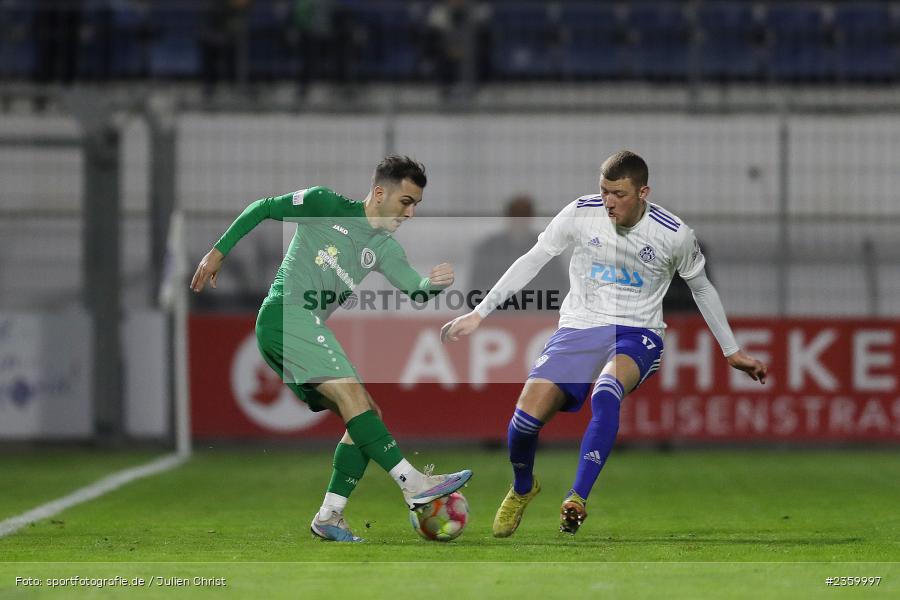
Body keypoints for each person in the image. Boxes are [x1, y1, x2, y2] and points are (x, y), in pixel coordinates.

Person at [441, 150, 766, 536]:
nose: (608, 200)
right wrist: (479, 313)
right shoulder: (581, 212)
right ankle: (523, 487)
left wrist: (731, 350)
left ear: (643, 192)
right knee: (524, 423)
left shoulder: (673, 234)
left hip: (637, 331)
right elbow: (534, 258)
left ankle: (577, 497)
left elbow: (701, 288)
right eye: (604, 190)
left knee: (606, 392)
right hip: (579, 327)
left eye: (619, 193)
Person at [191, 155, 472, 542]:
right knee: (354, 398)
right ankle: (412, 482)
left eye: (416, 206)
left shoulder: (384, 249)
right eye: (406, 202)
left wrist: (433, 284)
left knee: (364, 413)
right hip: (285, 315)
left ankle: (330, 515)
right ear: (379, 193)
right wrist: (218, 252)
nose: (411, 213)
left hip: (304, 326)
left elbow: (415, 290)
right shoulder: (324, 204)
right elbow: (264, 208)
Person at [468, 194, 568, 311]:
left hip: (536, 314)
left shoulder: (545, 246)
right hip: (498, 314)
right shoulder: (488, 248)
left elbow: (558, 284)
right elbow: (477, 284)